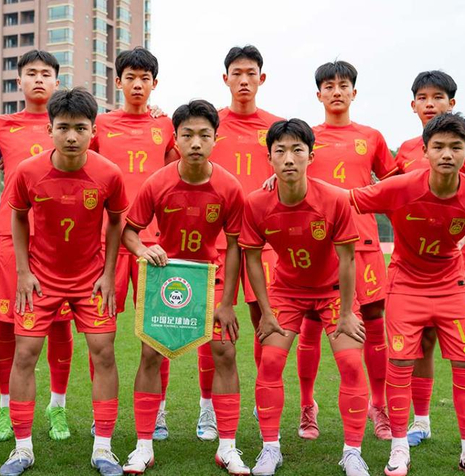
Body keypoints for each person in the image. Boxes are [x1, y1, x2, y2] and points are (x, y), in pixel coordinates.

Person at [349, 113, 465, 476]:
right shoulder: (401, 186)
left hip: (452, 287)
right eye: (439, 146)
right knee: (400, 365)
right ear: (425, 151)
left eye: (455, 147)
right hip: (405, 286)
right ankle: (399, 448)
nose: (447, 154)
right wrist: (292, 181)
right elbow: (348, 198)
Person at [0, 88, 128, 476]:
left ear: (93, 131)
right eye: (64, 127)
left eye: (81, 128)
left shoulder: (109, 174)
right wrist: (24, 272)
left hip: (91, 280)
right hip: (41, 280)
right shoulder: (28, 172)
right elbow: (17, 216)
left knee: (104, 353)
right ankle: (22, 449)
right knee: (25, 355)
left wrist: (108, 273)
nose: (72, 136)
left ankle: (103, 448)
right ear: (50, 129)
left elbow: (117, 222)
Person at [121, 99, 248, 475]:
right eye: (187, 135)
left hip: (208, 278)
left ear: (215, 139)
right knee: (150, 355)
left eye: (204, 135)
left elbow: (236, 245)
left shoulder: (229, 186)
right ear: (174, 139)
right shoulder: (157, 183)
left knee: (225, 353)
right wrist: (144, 249)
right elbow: (130, 232)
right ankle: (144, 446)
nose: (195, 142)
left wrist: (228, 303)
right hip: (166, 280)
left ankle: (227, 447)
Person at [242, 118, 370, 476]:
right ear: (269, 157)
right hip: (287, 292)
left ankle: (353, 453)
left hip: (333, 292)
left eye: (297, 150)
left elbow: (348, 259)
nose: (288, 159)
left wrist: (347, 313)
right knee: (269, 361)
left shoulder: (334, 200)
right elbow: (252, 258)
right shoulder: (256, 203)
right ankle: (270, 449)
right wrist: (266, 313)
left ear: (311, 156)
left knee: (351, 363)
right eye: (280, 151)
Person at [295, 61, 398, 440]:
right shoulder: (307, 137)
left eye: (343, 85)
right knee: (310, 323)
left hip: (364, 244)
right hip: (317, 246)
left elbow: (393, 188)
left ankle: (378, 405)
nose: (336, 91)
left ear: (354, 92)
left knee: (373, 322)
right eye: (328, 86)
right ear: (318, 94)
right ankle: (307, 405)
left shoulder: (371, 137)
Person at [0, 49, 75, 443]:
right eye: (31, 73)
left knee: (60, 324)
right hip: (9, 235)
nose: (38, 79)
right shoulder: (0, 126)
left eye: (46, 74)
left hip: (60, 240)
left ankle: (57, 406)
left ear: (57, 82)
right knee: (6, 324)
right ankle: (5, 408)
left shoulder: (73, 125)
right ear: (18, 81)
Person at [395, 71, 465, 454]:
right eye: (423, 97)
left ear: (452, 103)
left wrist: (455, 240)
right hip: (415, 268)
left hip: (462, 263)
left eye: (438, 96)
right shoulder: (406, 151)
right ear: (413, 105)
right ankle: (421, 421)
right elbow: (388, 193)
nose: (430, 103)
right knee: (422, 341)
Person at [89, 46, 177, 441]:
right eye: (130, 78)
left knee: (158, 332)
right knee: (100, 333)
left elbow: (179, 175)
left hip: (153, 243)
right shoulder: (100, 124)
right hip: (105, 242)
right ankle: (100, 412)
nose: (137, 84)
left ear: (154, 83)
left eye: (145, 78)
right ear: (118, 82)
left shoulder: (166, 126)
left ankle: (157, 412)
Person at [202, 45, 284, 440]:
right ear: (225, 78)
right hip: (215, 241)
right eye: (237, 73)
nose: (244, 80)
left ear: (262, 78)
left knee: (265, 322)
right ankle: (207, 409)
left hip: (263, 243)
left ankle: (261, 398)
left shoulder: (278, 127)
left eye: (251, 73)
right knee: (212, 327)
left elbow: (297, 168)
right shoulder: (210, 124)